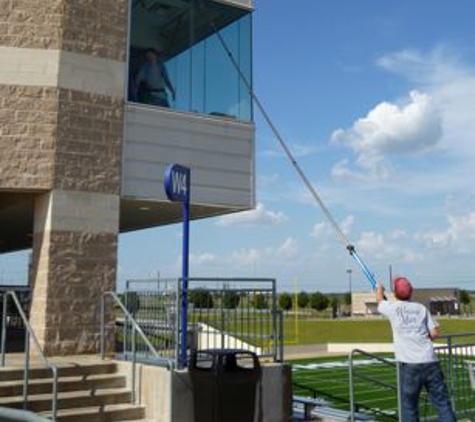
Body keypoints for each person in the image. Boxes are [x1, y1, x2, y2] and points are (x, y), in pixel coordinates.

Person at [376, 277, 456, 422]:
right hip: (430, 362)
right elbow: (434, 333)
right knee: (442, 404)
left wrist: (379, 289)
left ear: (395, 293)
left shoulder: (392, 308)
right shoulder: (421, 308)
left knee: (409, 407)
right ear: (411, 291)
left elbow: (380, 302)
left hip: (409, 365)